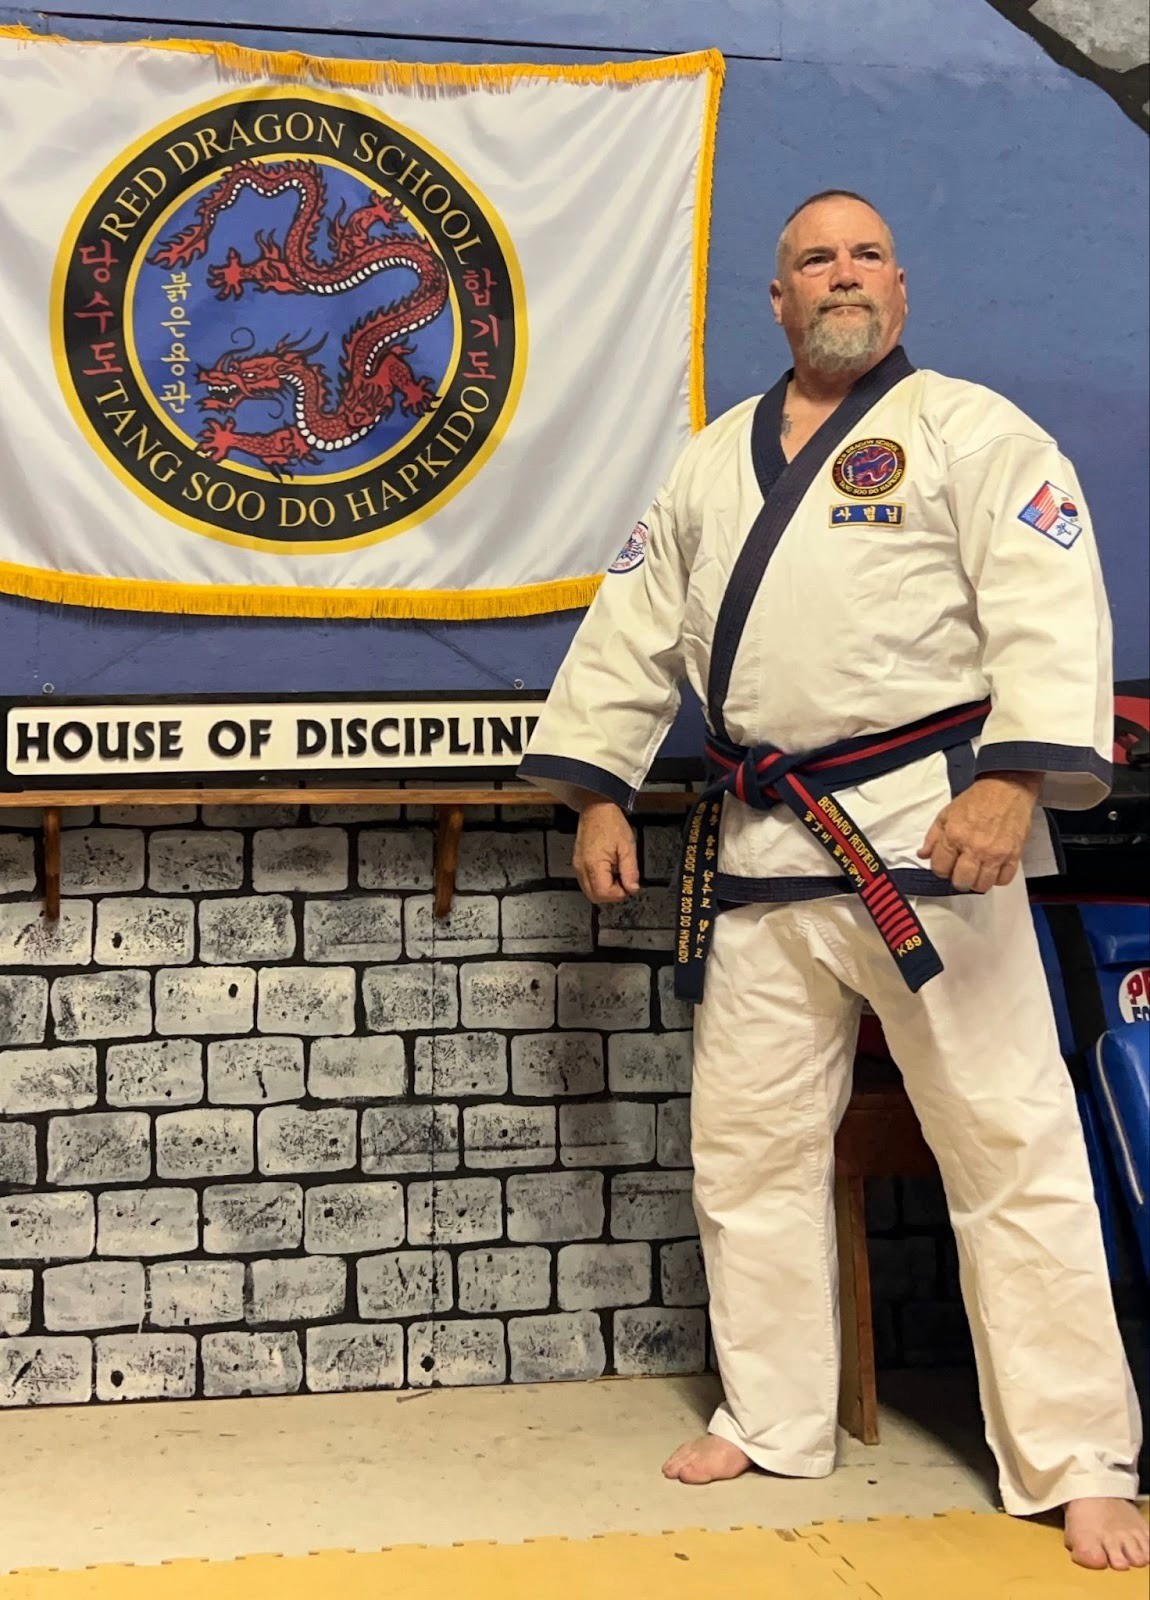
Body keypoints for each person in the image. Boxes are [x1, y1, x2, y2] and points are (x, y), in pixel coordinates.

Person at [519, 191, 1148, 1572]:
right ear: (778, 299)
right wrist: (599, 788)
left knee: (1009, 1147)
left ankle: (1079, 1455)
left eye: (864, 256)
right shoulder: (705, 466)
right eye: (814, 259)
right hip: (757, 846)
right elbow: (631, 629)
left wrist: (1013, 776)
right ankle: (775, 1414)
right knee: (748, 1154)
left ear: (900, 293)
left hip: (932, 838)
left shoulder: (976, 435)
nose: (840, 275)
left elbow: (1048, 602)